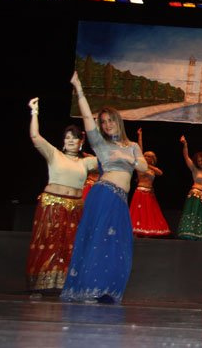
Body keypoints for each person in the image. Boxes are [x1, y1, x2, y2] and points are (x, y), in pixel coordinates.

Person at [61, 71, 148, 304]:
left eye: (111, 120)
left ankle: (104, 288)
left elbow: (143, 166)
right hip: (103, 194)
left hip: (119, 200)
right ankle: (90, 288)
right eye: (104, 122)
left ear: (118, 121)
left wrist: (126, 157)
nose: (107, 125)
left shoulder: (132, 146)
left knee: (117, 244)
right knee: (98, 240)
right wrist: (79, 89)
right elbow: (87, 118)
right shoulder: (100, 144)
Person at [26, 98, 97, 294]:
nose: (70, 140)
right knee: (48, 243)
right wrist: (34, 112)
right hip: (52, 206)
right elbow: (35, 136)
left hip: (75, 209)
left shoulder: (86, 162)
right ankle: (42, 284)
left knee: (69, 246)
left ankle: (65, 284)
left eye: (74, 138)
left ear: (81, 142)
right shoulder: (54, 154)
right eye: (67, 138)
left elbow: (106, 158)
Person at [129, 128, 170, 237]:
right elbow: (139, 151)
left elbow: (160, 173)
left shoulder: (152, 169)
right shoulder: (140, 166)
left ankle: (146, 231)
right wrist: (140, 136)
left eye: (149, 156)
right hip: (140, 191)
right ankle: (136, 232)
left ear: (153, 158)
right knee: (139, 213)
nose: (147, 157)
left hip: (149, 193)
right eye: (146, 155)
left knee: (148, 214)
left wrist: (149, 165)